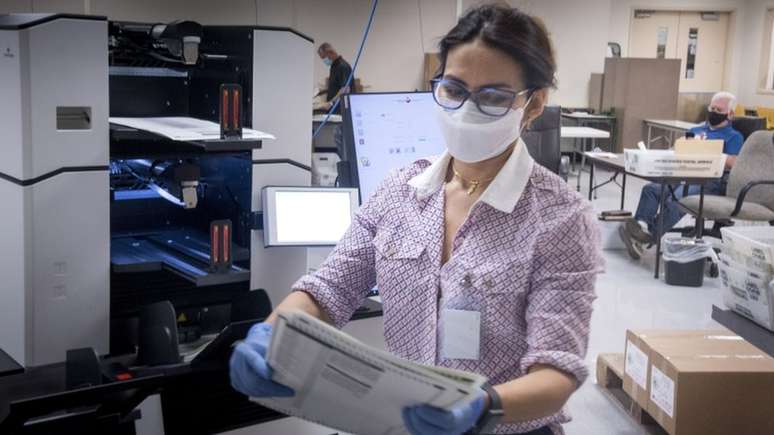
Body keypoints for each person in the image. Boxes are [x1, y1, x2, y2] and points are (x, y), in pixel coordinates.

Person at [230, 5, 602, 435]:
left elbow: (556, 370)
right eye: (454, 89)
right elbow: (329, 289)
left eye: (494, 97)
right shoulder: (399, 190)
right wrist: (272, 336)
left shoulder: (561, 219)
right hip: (400, 423)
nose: (467, 111)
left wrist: (482, 406)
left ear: (534, 103)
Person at [619, 91, 744, 260]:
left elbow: (734, 164)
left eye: (718, 110)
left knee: (677, 199)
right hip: (684, 173)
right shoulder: (695, 130)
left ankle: (646, 238)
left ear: (730, 114)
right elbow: (677, 150)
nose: (713, 112)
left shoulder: (734, 137)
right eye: (711, 108)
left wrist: (709, 149)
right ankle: (641, 227)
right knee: (651, 190)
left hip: (710, 181)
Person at [317, 42, 353, 110]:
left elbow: (345, 89)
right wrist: (321, 91)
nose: (324, 60)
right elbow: (336, 86)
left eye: (324, 57)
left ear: (330, 52)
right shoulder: (334, 67)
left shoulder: (343, 66)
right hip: (334, 108)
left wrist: (331, 103)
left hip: (341, 109)